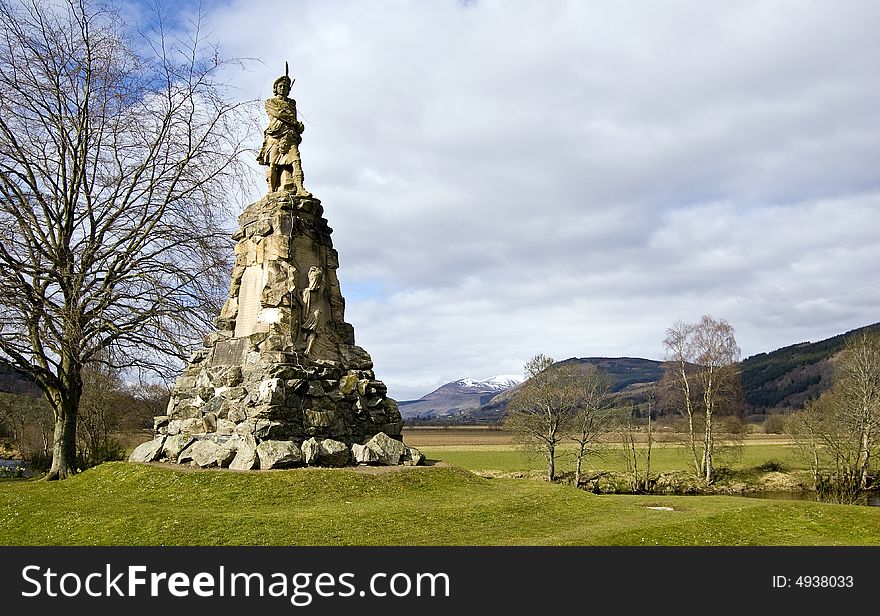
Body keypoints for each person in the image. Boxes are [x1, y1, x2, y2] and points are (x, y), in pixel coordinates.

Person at [257, 72, 311, 196]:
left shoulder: (292, 103)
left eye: (285, 87)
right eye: (280, 86)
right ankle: (271, 191)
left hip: (290, 136)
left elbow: (291, 118)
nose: (283, 88)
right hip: (274, 136)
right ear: (275, 88)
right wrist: (295, 123)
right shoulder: (270, 102)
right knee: (273, 164)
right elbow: (280, 114)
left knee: (296, 160)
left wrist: (298, 127)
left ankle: (300, 188)